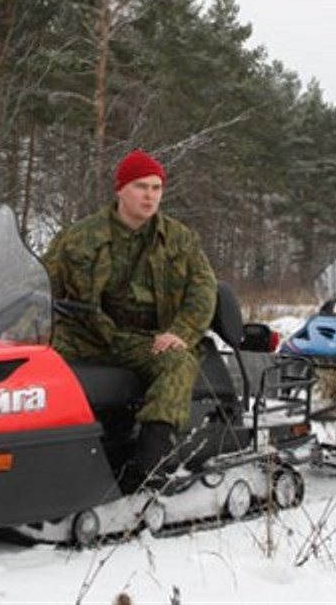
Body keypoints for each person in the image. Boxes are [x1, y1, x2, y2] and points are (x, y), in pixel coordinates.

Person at [43, 149, 218, 492]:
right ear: (121, 189)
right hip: (85, 336)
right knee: (26, 369)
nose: (150, 195)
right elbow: (39, 285)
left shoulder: (180, 239)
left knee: (179, 363)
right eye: (141, 186)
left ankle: (146, 470)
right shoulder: (79, 237)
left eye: (156, 187)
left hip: (147, 339)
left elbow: (203, 291)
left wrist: (180, 332)